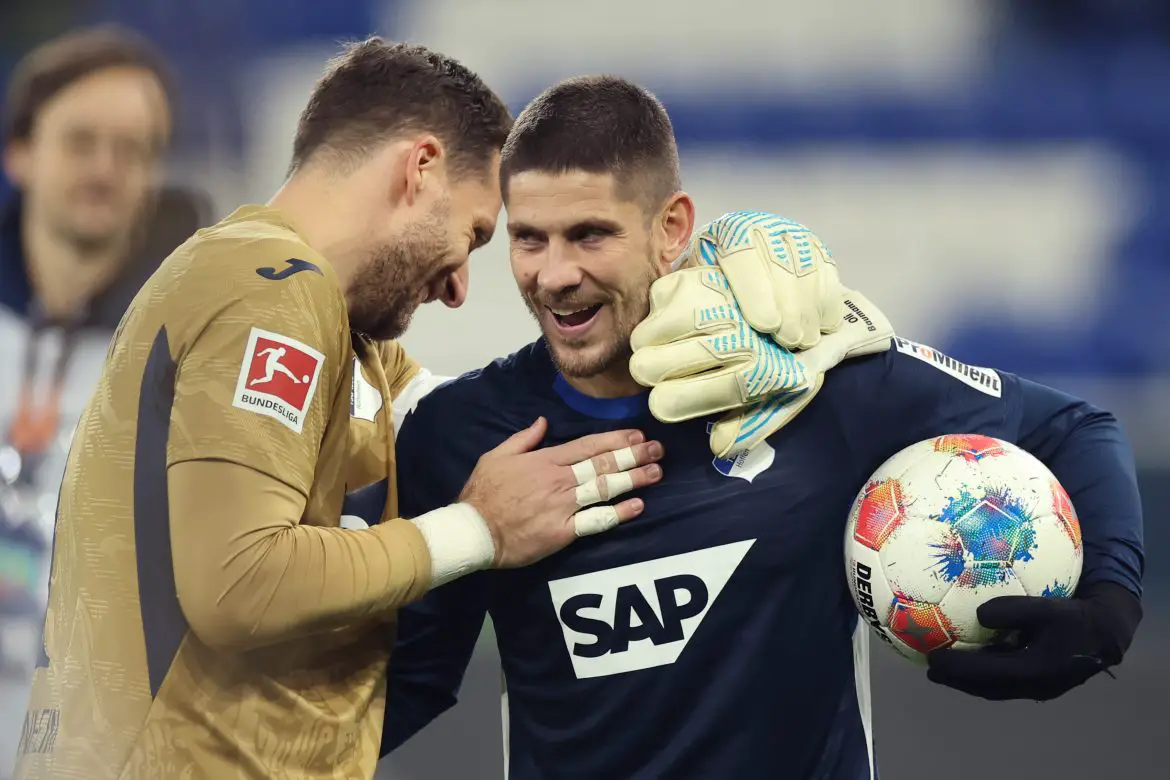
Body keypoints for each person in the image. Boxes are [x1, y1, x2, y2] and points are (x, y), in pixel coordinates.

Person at [355, 76, 1145, 779]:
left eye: (589, 234)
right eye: (529, 238)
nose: (554, 274)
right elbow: (411, 680)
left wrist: (1109, 610)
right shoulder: (463, 432)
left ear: (672, 228)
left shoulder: (822, 380)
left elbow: (1076, 427)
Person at [11, 41, 674, 780]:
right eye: (474, 234)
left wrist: (714, 319)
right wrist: (477, 529)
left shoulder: (335, 328)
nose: (459, 285)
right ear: (419, 169)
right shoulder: (271, 289)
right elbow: (238, 580)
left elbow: (486, 415)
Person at [0, 24, 204, 762]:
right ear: (19, 153)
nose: (106, 169)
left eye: (133, 150)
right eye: (81, 142)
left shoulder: (189, 344)